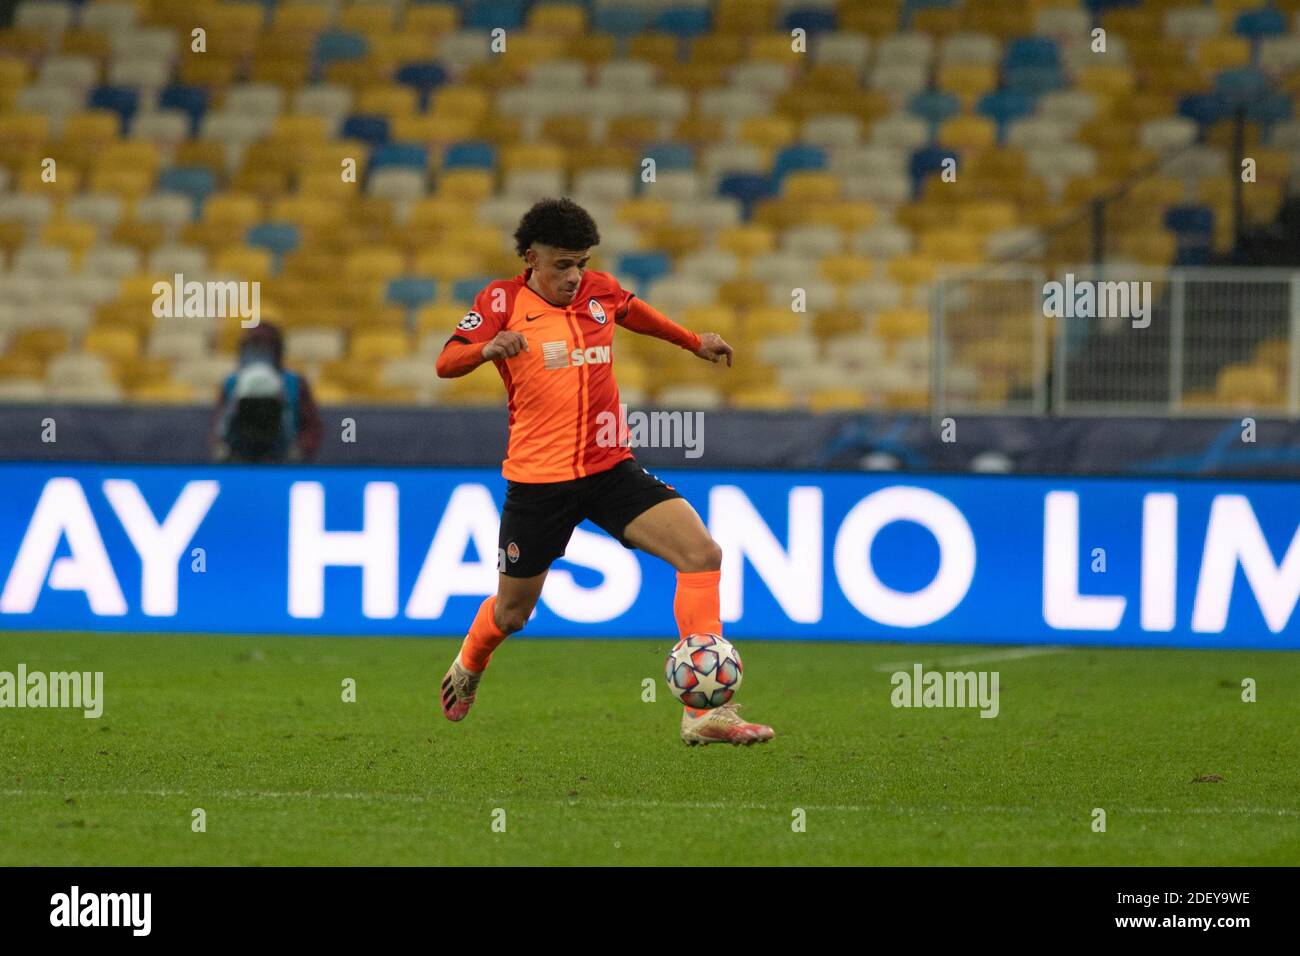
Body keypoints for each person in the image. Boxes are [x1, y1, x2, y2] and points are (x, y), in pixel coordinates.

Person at [435, 197, 774, 746]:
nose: (574, 276)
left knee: (701, 554)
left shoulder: (600, 291)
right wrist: (485, 348)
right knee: (513, 612)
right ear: (531, 258)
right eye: (562, 264)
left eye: (582, 263)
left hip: (609, 467)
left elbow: (634, 312)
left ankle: (706, 710)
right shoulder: (500, 300)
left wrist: (694, 342)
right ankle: (470, 664)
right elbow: (445, 361)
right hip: (539, 482)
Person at [212, 322, 322, 464]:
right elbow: (219, 425)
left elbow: (312, 427)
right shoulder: (231, 383)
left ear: (277, 351)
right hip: (239, 458)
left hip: (283, 458)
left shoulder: (295, 383)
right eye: (252, 346)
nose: (258, 353)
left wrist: (299, 450)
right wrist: (221, 449)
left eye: (264, 347)